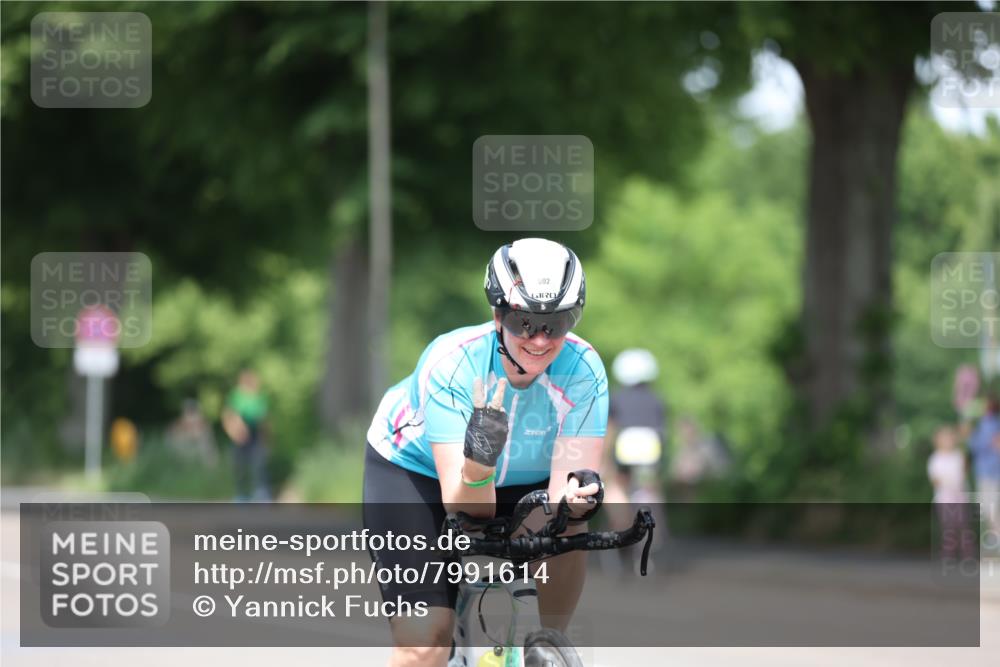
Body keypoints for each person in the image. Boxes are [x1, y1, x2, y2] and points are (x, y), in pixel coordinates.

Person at [363, 238, 608, 667]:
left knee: (569, 521)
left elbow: (561, 495)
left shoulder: (584, 370)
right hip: (415, 473)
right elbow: (464, 504)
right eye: (523, 321)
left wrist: (574, 504)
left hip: (521, 479)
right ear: (497, 314)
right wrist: (480, 459)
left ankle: (546, 643)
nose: (538, 339)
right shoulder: (453, 363)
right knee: (425, 643)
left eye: (556, 322)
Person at [221, 370, 270, 502]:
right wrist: (233, 433)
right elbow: (228, 416)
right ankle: (241, 494)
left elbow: (263, 420)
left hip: (255, 434)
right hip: (239, 435)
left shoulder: (259, 397)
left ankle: (261, 493)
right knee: (240, 467)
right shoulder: (236, 396)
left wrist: (266, 438)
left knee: (259, 464)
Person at [927, 425, 974, 560]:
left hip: (960, 496)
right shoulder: (935, 459)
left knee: (964, 526)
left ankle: (967, 553)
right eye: (945, 439)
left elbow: (964, 472)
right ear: (938, 441)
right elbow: (935, 479)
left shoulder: (958, 455)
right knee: (948, 527)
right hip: (945, 498)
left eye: (950, 438)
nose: (948, 441)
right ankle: (949, 553)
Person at [968, 395, 1000, 548]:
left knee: (988, 505)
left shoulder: (987, 424)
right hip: (990, 471)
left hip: (988, 472)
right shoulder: (992, 424)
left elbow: (978, 445)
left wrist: (969, 435)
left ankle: (996, 534)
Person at [166, 398, 218, 467]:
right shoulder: (178, 425)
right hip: (186, 449)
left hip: (199, 448)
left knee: (205, 446)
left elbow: (207, 437)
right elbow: (172, 437)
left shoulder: (203, 423)